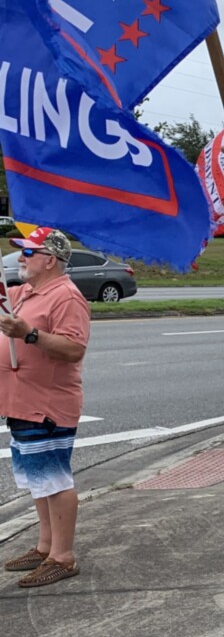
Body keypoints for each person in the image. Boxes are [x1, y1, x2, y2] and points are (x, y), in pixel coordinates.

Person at [0, 227, 90, 588]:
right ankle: (45, 546)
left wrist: (29, 334)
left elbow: (74, 349)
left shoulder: (66, 297)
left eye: (28, 252)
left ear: (50, 260)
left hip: (46, 405)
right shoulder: (25, 292)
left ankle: (63, 557)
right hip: (21, 402)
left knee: (54, 480)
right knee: (39, 481)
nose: (21, 258)